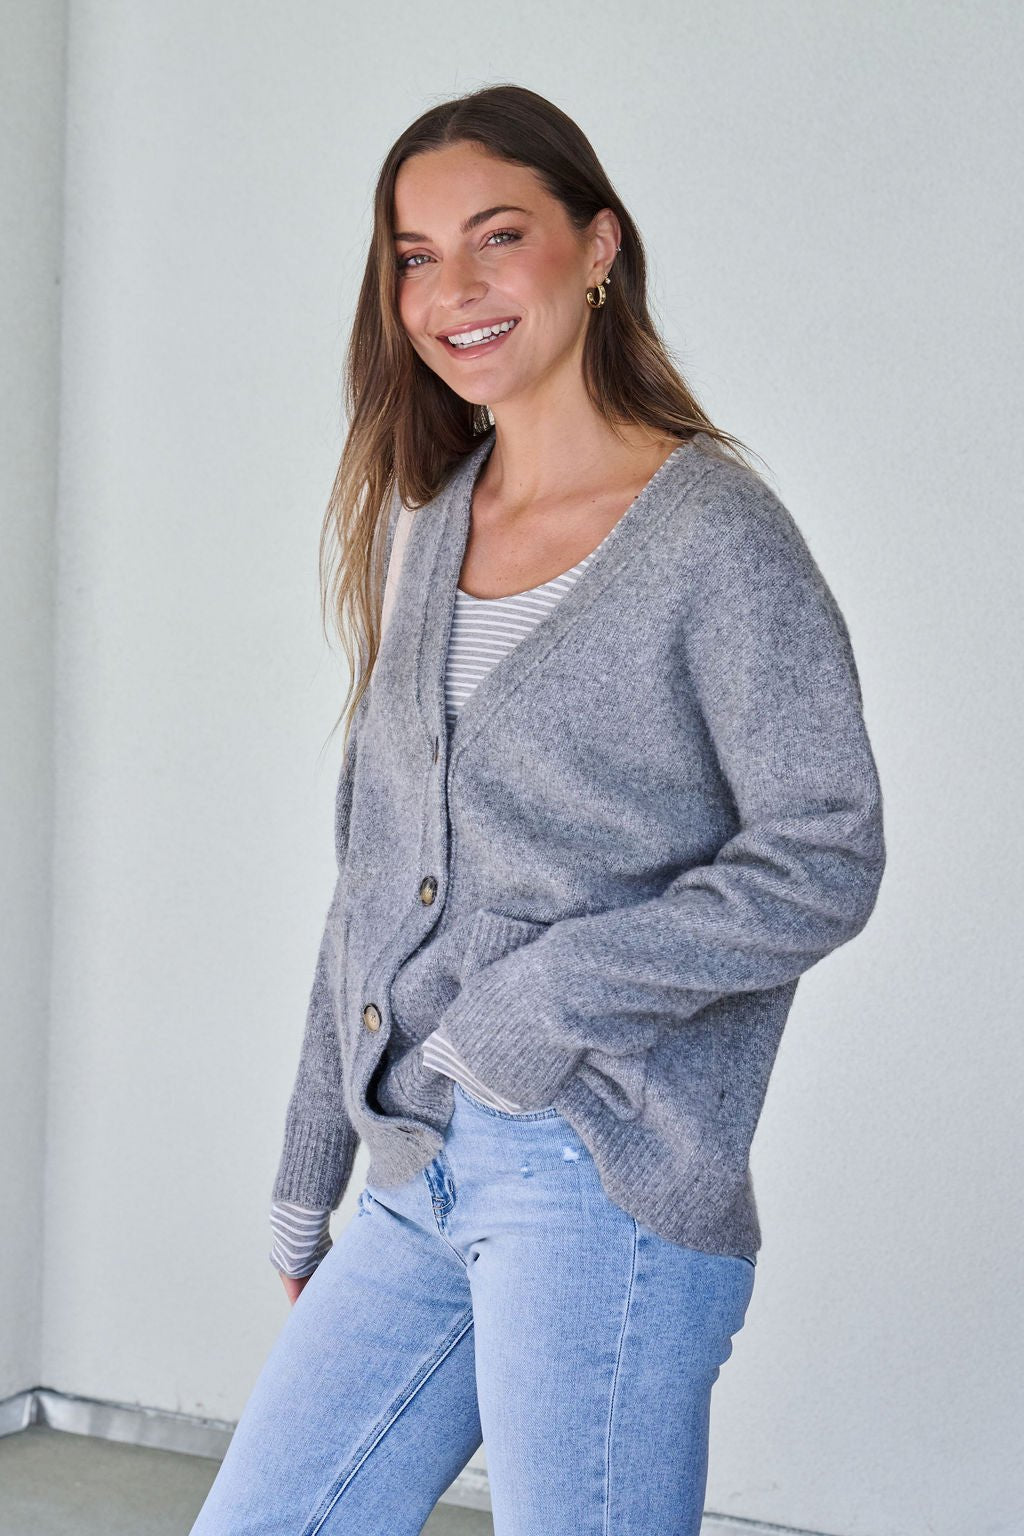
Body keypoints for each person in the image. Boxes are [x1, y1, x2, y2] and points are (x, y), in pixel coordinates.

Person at [191, 83, 885, 1536]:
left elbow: (824, 852)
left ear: (598, 248)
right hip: (416, 1166)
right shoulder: (428, 523)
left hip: (599, 1177)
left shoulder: (715, 537)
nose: (454, 289)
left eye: (498, 237)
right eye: (415, 256)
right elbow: (371, 875)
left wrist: (542, 1004)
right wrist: (311, 1161)